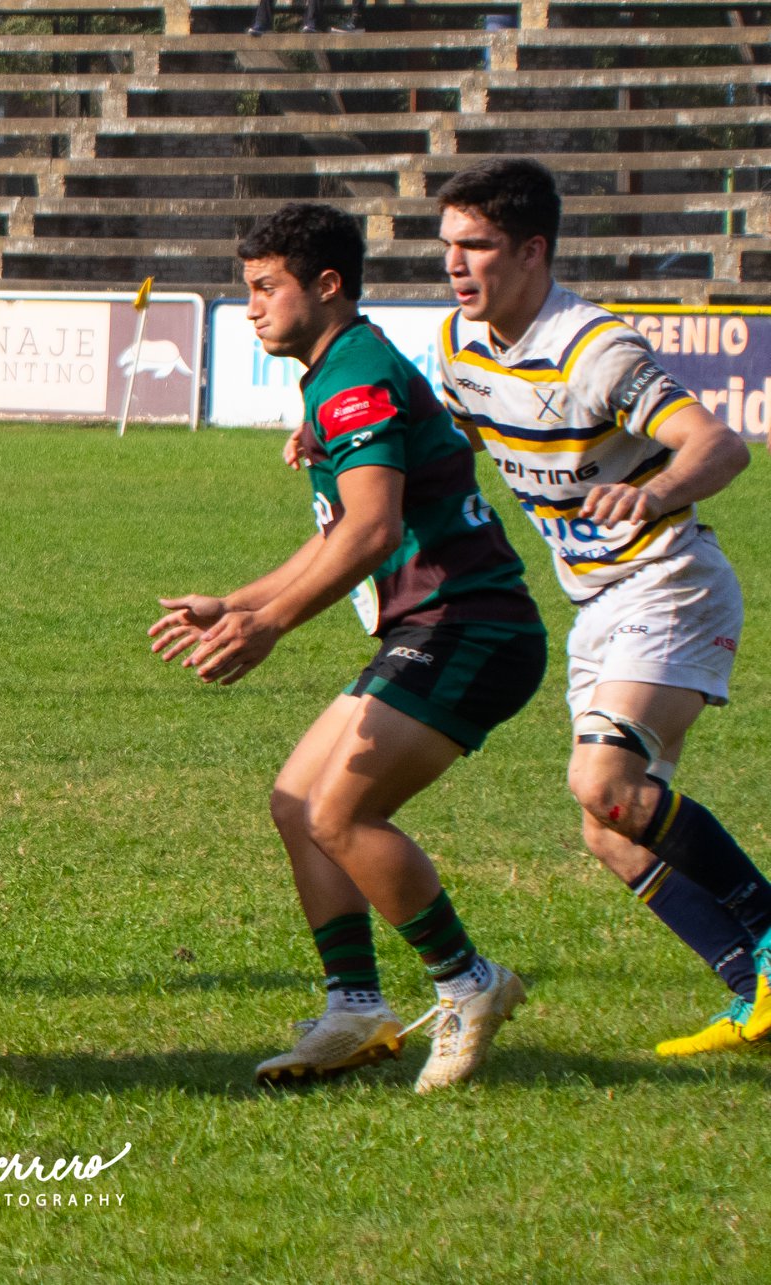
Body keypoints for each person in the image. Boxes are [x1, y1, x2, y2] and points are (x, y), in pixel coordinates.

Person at [150, 202, 545, 1092]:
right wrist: (238, 601)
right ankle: (356, 1006)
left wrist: (271, 626)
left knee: (342, 816)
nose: (249, 307)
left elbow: (370, 532)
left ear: (326, 286)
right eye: (244, 289)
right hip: (432, 625)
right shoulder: (338, 371)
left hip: (469, 624)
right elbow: (343, 532)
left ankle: (468, 983)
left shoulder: (353, 376)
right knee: (298, 802)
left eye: (265, 288)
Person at [436, 156, 771, 1055]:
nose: (457, 265)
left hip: (669, 580)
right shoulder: (459, 346)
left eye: (478, 246)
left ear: (534, 250)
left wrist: (654, 493)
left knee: (605, 783)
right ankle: (754, 991)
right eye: (449, 246)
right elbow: (448, 433)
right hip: (599, 604)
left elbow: (719, 445)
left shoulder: (595, 349)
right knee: (609, 829)